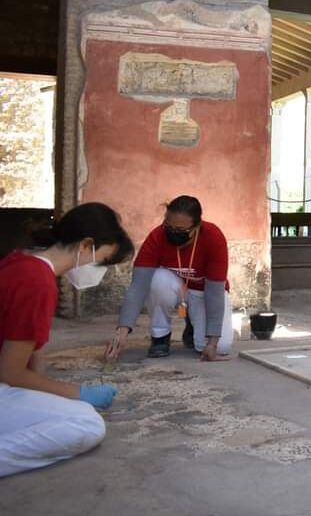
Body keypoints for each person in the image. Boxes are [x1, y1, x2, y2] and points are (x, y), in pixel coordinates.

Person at [0, 202, 134, 477]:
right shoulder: (37, 282)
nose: (99, 270)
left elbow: (28, 346)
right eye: (102, 262)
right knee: (86, 424)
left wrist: (44, 393)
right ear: (86, 245)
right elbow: (11, 371)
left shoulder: (21, 260)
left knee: (66, 408)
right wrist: (79, 393)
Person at [108, 196, 233, 361]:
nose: (173, 232)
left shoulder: (213, 237)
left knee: (221, 346)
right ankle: (160, 336)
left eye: (181, 231)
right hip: (175, 288)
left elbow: (215, 291)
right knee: (156, 278)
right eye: (169, 226)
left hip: (205, 292)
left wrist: (213, 342)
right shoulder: (157, 236)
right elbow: (138, 286)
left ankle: (193, 325)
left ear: (197, 226)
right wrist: (122, 332)